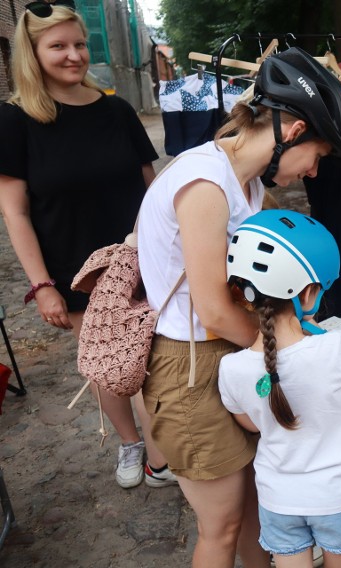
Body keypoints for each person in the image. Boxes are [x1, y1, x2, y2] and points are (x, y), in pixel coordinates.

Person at [136, 46, 341, 568]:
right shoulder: (207, 183)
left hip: (227, 353)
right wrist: (289, 352)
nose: (314, 172)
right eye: (318, 157)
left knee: (256, 505)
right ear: (295, 131)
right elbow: (213, 310)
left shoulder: (247, 183)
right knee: (221, 527)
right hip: (189, 363)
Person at [0, 0, 175, 489]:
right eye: (58, 46)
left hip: (141, 258)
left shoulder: (117, 110)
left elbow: (151, 187)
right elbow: (14, 212)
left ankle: (162, 458)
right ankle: (131, 443)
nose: (74, 55)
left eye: (80, 44)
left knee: (157, 358)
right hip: (76, 270)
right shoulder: (15, 121)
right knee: (109, 363)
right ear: (32, 54)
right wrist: (42, 285)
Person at [219, 210, 341, 568]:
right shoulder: (335, 348)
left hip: (277, 500)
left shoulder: (230, 368)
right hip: (336, 497)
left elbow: (250, 424)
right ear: (308, 293)